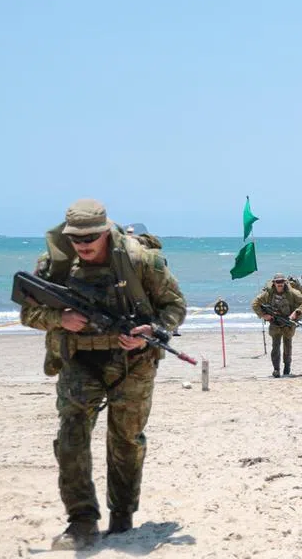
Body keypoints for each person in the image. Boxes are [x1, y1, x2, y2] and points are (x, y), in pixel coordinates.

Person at [19, 199, 187, 549]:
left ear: (106, 231)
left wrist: (149, 331)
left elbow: (175, 306)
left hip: (134, 363)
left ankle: (122, 516)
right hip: (79, 360)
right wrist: (58, 319)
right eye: (76, 238)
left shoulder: (141, 260)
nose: (84, 244)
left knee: (126, 440)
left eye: (91, 236)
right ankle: (81, 520)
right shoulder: (55, 265)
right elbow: (28, 313)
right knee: (71, 438)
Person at [252, 273, 302, 377]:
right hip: (275, 324)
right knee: (275, 347)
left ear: (285, 282)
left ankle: (287, 368)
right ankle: (276, 369)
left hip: (288, 323)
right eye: (277, 282)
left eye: (281, 281)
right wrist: (264, 315)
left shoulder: (292, 293)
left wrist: (296, 312)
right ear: (274, 283)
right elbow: (255, 303)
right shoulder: (268, 294)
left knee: (288, 347)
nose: (280, 284)